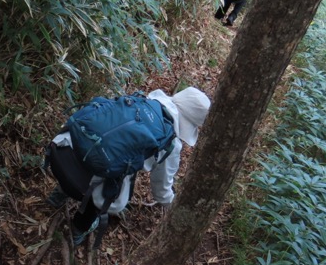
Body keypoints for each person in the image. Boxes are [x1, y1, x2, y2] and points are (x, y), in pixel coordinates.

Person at [46, 87, 211, 246]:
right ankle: (78, 229)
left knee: (92, 152)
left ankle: (58, 195)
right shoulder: (171, 146)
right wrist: (175, 206)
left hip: (60, 150)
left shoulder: (142, 100)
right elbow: (161, 192)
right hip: (80, 185)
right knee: (109, 188)